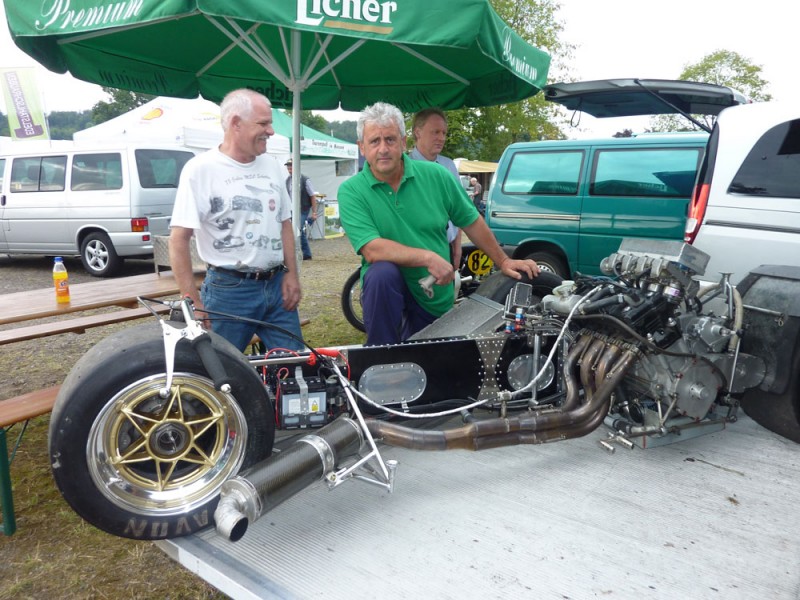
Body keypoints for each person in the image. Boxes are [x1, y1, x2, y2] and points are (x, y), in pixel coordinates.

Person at [338, 101, 540, 346]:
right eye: (374, 141)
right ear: (361, 147)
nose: (383, 149)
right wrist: (429, 257)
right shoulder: (351, 191)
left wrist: (504, 260)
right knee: (381, 273)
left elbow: (471, 220)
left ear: (403, 142)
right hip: (387, 294)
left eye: (390, 140)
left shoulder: (437, 176)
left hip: (433, 291)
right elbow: (372, 249)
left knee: (434, 364)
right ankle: (381, 359)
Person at [169, 88, 304, 352]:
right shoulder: (200, 170)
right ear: (235, 124)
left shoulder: (274, 166)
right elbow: (178, 240)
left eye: (270, 123)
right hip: (228, 291)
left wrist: (292, 275)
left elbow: (285, 223)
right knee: (221, 375)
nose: (271, 131)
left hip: (277, 288)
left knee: (295, 365)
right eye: (263, 123)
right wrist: (192, 301)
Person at [408, 107, 462, 269]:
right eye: (435, 132)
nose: (441, 138)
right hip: (418, 251)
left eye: (444, 133)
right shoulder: (404, 168)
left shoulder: (449, 165)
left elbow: (461, 211)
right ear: (418, 132)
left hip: (447, 249)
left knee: (447, 294)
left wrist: (457, 247)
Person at [285, 158, 320, 260]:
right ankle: (307, 254)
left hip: (303, 209)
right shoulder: (287, 180)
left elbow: (312, 196)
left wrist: (314, 212)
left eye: (291, 165)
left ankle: (294, 254)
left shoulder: (305, 179)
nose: (289, 168)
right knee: (299, 231)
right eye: (288, 166)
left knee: (296, 229)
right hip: (291, 210)